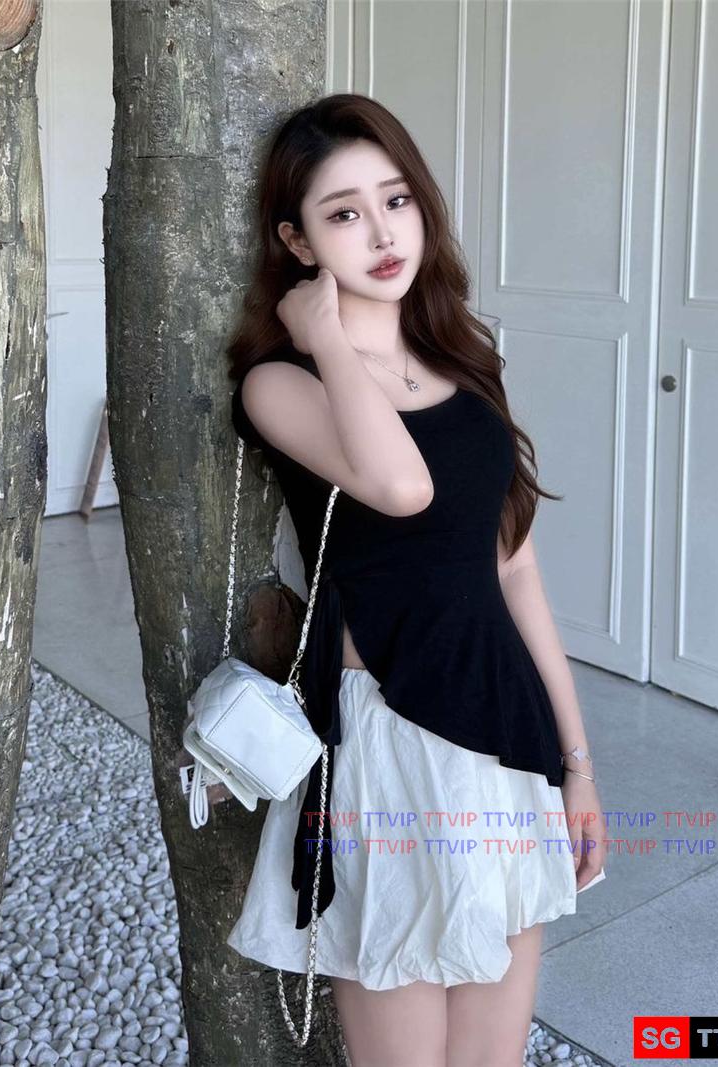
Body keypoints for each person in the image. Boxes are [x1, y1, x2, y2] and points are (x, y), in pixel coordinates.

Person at [224, 92, 607, 1067]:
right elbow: (400, 485)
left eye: (395, 199)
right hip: (388, 739)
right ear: (297, 241)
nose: (382, 232)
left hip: (504, 727)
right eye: (343, 213)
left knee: (491, 1053)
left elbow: (515, 569)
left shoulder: (463, 362)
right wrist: (326, 338)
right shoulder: (282, 382)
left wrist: (576, 763)